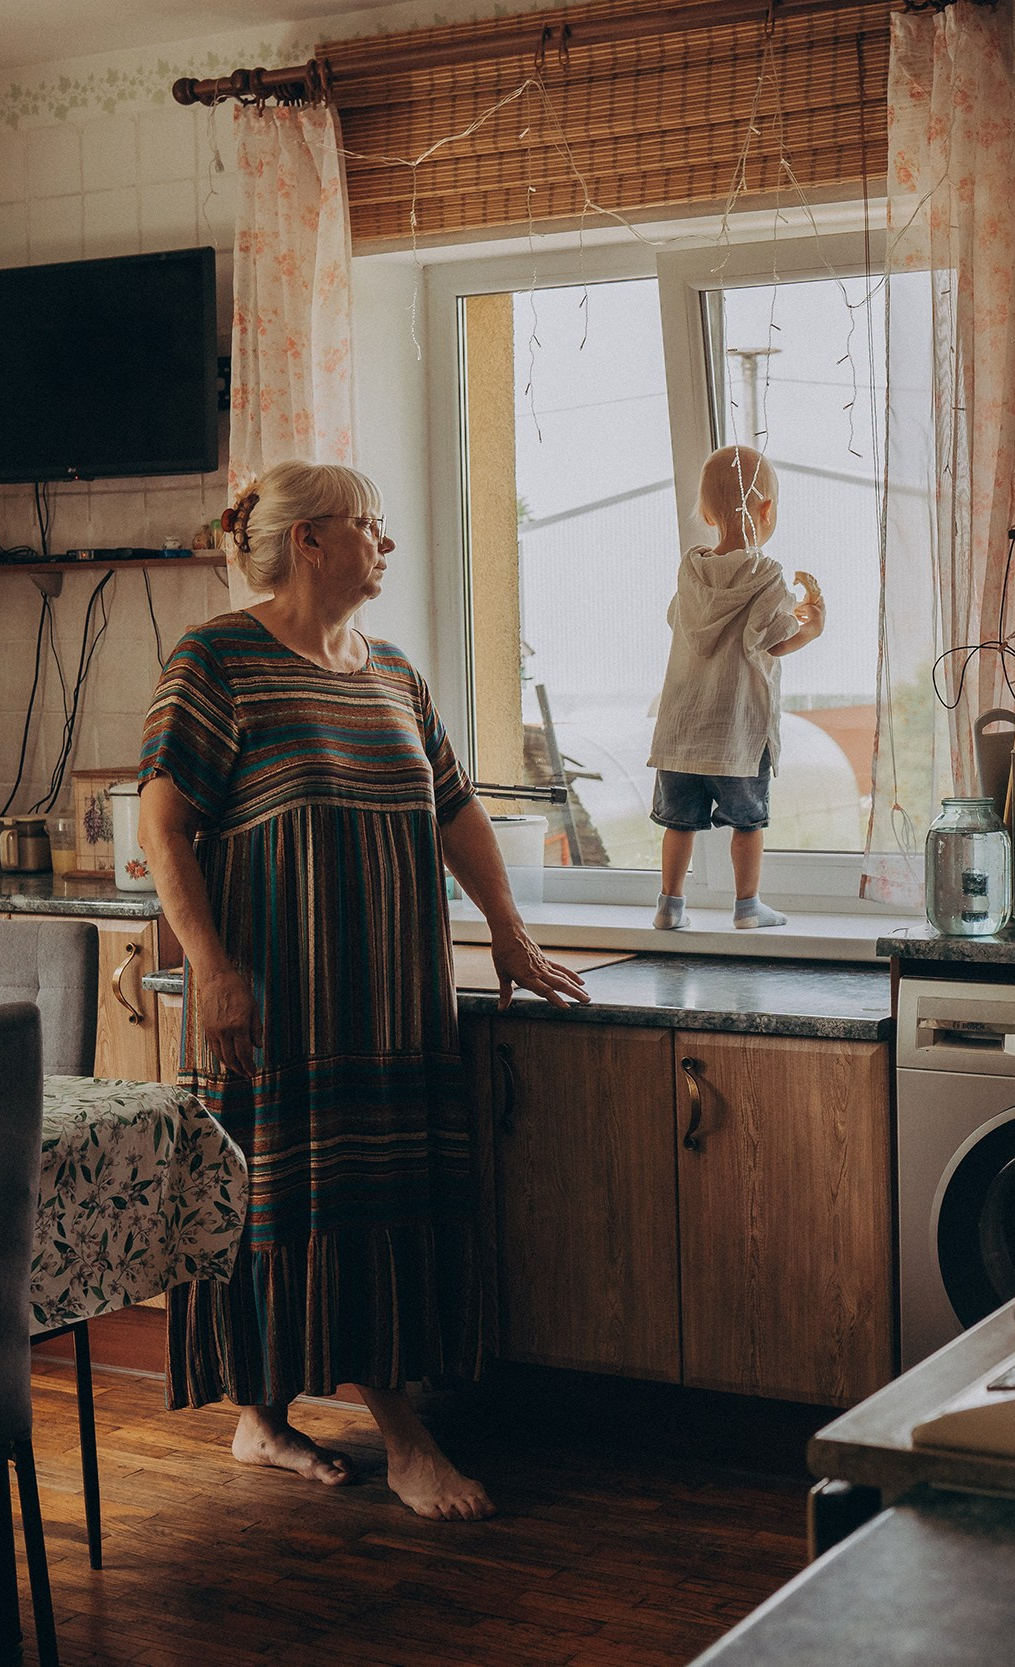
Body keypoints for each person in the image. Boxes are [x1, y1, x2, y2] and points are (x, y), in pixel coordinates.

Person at [137, 460, 590, 1521]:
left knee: (378, 1203)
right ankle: (404, 1438)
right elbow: (162, 824)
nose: (384, 543)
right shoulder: (216, 658)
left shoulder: (390, 670)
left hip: (392, 1003)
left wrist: (511, 936)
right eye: (368, 525)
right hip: (280, 1003)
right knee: (291, 1206)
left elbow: (458, 812)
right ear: (308, 541)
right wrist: (212, 967)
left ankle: (262, 1416)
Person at [645, 445, 825, 931]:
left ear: (705, 512)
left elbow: (674, 620)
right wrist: (813, 626)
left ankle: (669, 906)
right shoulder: (764, 574)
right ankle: (747, 907)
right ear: (766, 509)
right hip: (738, 733)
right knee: (747, 823)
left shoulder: (691, 571)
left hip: (682, 730)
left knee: (678, 824)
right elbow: (774, 642)